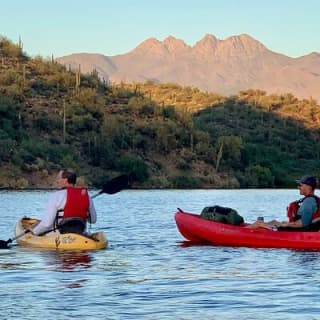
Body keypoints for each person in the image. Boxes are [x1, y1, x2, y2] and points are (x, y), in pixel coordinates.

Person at [30, 169, 97, 236]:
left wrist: (34, 232)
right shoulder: (86, 196)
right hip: (81, 233)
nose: (57, 181)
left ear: (65, 180)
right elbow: (93, 220)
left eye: (59, 178)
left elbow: (47, 224)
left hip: (60, 234)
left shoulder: (56, 196)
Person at [250, 175, 320, 230]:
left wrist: (287, 224)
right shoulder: (313, 200)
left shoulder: (309, 202)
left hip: (300, 232)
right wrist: (286, 223)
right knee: (273, 222)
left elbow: (303, 224)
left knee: (262, 223)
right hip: (301, 229)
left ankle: (244, 231)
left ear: (308, 187)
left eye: (300, 185)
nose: (298, 187)